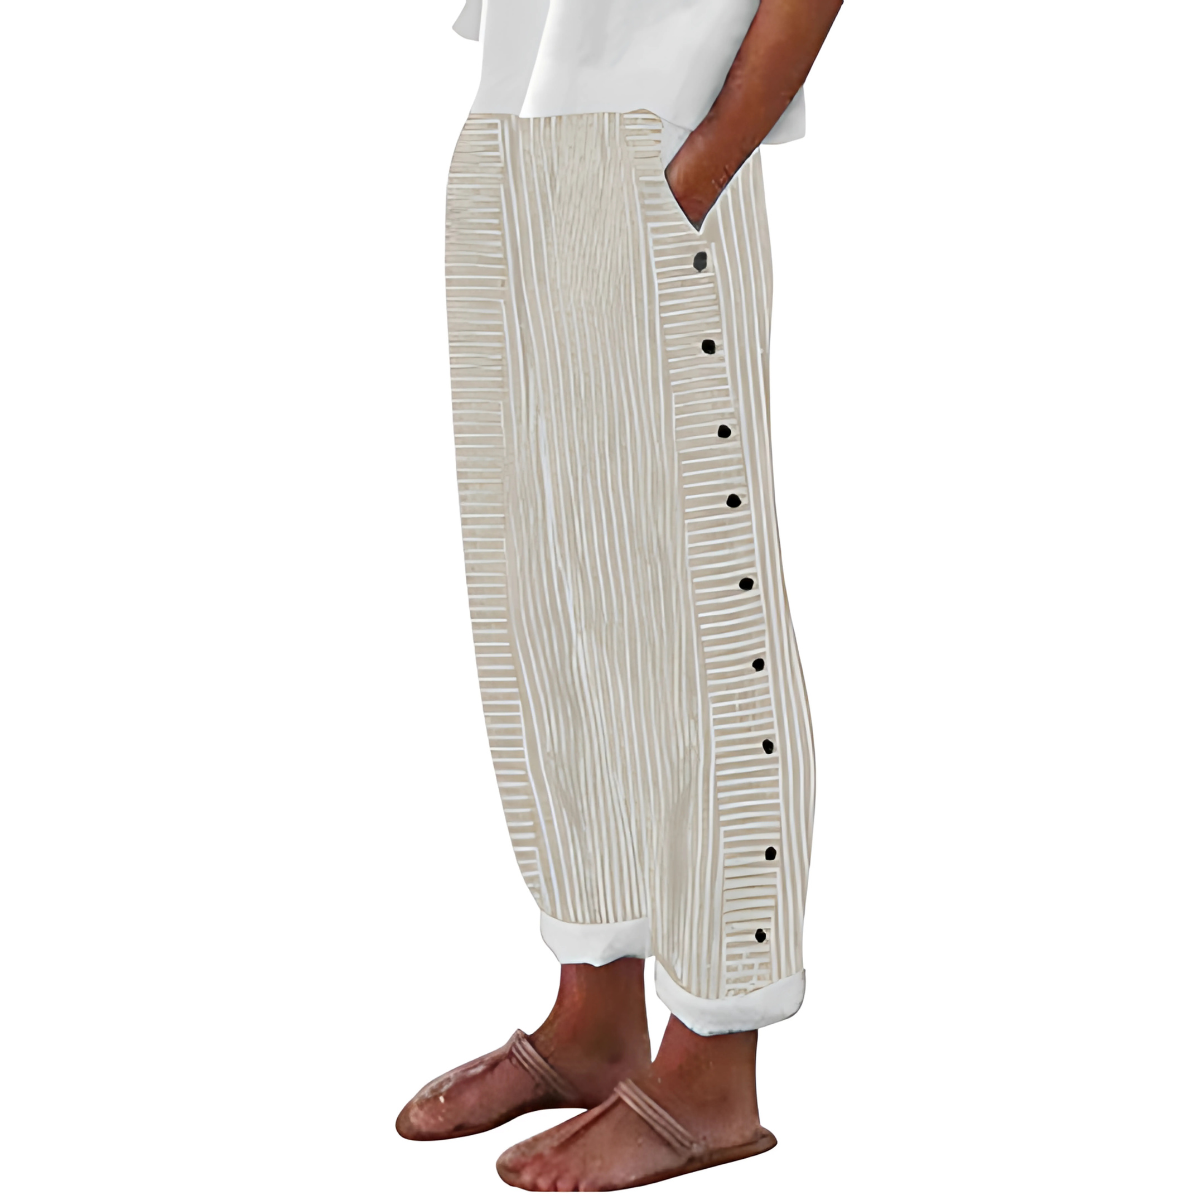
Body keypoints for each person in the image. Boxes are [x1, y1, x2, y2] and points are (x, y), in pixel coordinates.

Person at [398, 0, 843, 1189]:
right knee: (546, 593)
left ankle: (713, 1065)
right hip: (510, 128)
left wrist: (708, 157)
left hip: (664, 135)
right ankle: (594, 1014)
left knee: (697, 600)